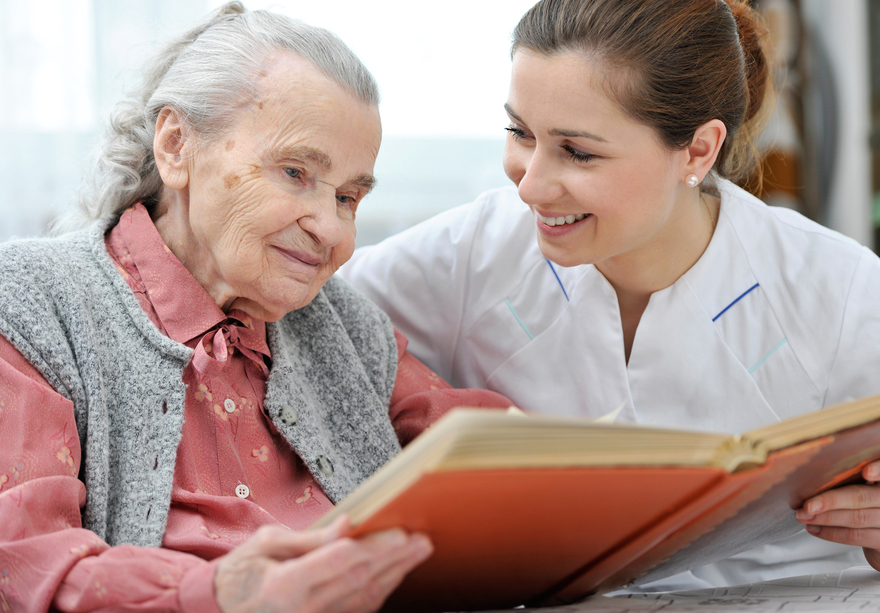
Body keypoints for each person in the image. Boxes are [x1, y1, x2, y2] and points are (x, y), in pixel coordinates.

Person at [341, 0, 880, 590]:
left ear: (698, 151)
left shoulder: (834, 287)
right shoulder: (467, 257)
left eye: (577, 152)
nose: (531, 184)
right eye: (521, 133)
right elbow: (301, 315)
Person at [0, 3, 512, 612]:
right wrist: (225, 593)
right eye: (295, 172)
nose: (330, 228)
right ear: (176, 145)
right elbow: (24, 564)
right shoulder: (30, 304)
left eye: (349, 197)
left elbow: (489, 452)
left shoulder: (344, 325)